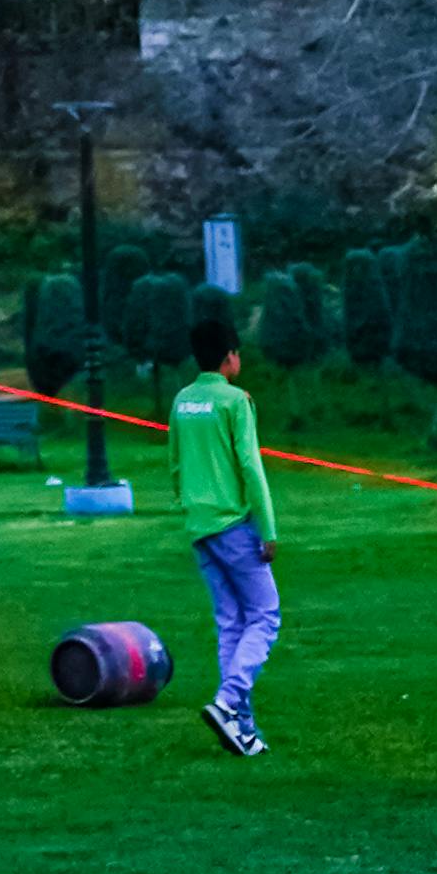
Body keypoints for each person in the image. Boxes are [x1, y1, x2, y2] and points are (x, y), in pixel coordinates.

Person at [170, 301, 278, 757]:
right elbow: (250, 467)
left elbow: (175, 465)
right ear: (230, 356)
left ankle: (242, 728)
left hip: (199, 527)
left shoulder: (181, 400)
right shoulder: (237, 401)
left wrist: (190, 508)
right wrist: (267, 528)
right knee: (266, 616)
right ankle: (228, 700)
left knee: (230, 623)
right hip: (234, 523)